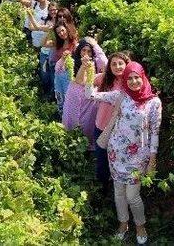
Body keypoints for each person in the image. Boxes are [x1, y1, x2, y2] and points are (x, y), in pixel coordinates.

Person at [85, 61, 161, 245]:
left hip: (139, 156)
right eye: (129, 78)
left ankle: (140, 225)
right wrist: (87, 71)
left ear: (143, 77)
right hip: (116, 152)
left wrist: (152, 159)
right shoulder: (120, 95)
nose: (134, 81)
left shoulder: (153, 102)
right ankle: (123, 223)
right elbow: (90, 95)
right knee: (118, 192)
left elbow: (155, 132)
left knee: (132, 196)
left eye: (137, 77)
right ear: (125, 80)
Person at [91, 51, 131, 196]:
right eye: (113, 64)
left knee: (118, 160)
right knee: (101, 159)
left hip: (120, 130)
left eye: (121, 63)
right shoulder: (105, 79)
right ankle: (103, 189)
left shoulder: (131, 81)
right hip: (101, 125)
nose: (117, 66)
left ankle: (118, 190)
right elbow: (87, 81)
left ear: (127, 65)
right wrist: (87, 68)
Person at [62, 38, 107, 147]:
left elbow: (106, 64)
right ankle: (70, 143)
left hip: (89, 97)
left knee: (87, 121)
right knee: (71, 118)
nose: (86, 53)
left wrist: (95, 45)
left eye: (89, 51)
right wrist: (83, 66)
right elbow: (79, 80)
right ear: (79, 51)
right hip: (74, 95)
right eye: (83, 50)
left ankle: (86, 147)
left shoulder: (96, 63)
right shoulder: (72, 61)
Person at [50, 20, 79, 115]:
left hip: (69, 75)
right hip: (59, 74)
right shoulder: (59, 44)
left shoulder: (74, 43)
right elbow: (54, 59)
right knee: (59, 94)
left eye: (62, 30)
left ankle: (70, 117)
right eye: (58, 32)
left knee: (69, 97)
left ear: (67, 29)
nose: (61, 34)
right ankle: (61, 115)